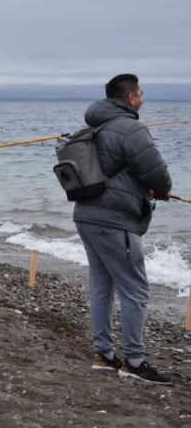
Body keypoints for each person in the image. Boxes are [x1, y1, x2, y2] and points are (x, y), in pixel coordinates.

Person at [73, 74, 173, 384]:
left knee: (102, 286)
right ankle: (134, 361)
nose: (143, 99)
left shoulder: (94, 126)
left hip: (86, 215)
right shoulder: (131, 128)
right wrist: (163, 190)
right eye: (140, 94)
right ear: (130, 97)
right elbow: (157, 173)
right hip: (114, 220)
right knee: (136, 290)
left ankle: (104, 356)